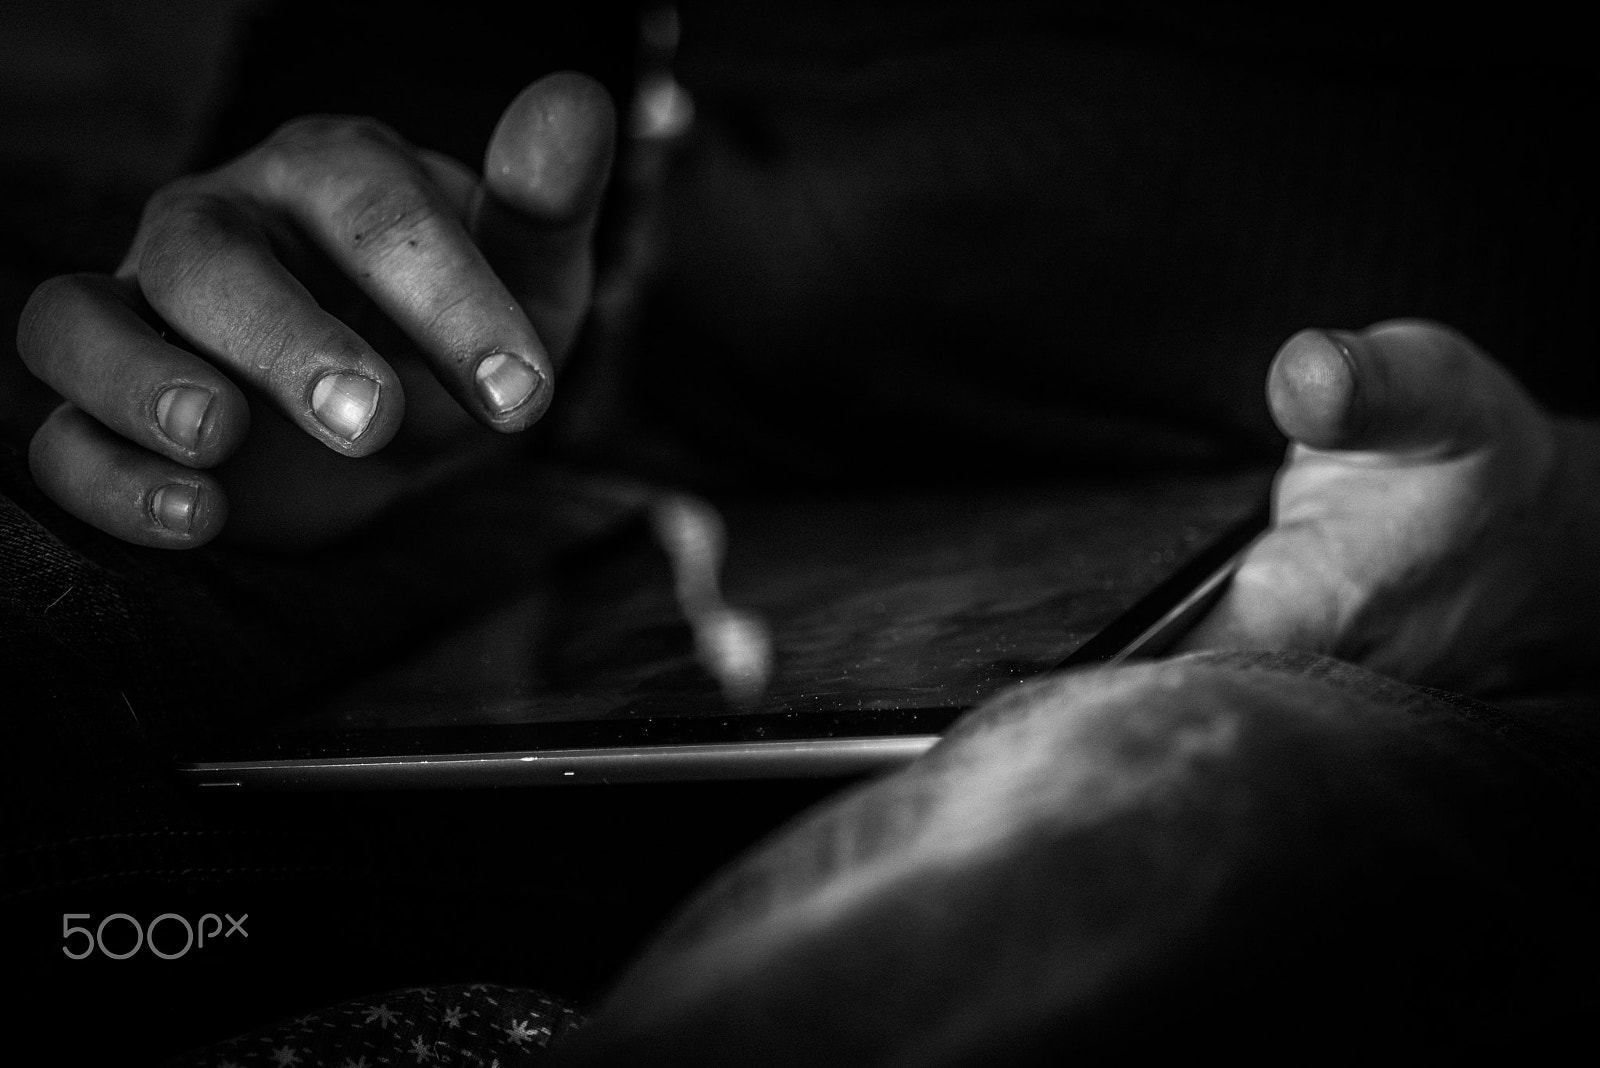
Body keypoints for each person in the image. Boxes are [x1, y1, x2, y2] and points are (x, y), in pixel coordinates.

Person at [4, 1, 1597, 1061]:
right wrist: (330, 325)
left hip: (1372, 549)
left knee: (1130, 811)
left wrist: (1568, 520)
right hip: (592, 526)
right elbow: (394, 108)